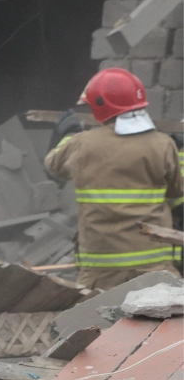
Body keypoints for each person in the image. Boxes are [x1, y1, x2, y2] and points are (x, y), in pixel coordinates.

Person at [45, 67, 184, 291]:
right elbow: (177, 191)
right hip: (154, 269)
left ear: (100, 106)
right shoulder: (162, 144)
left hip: (100, 273)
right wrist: (181, 154)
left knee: (95, 324)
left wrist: (64, 136)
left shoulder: (81, 144)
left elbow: (53, 168)